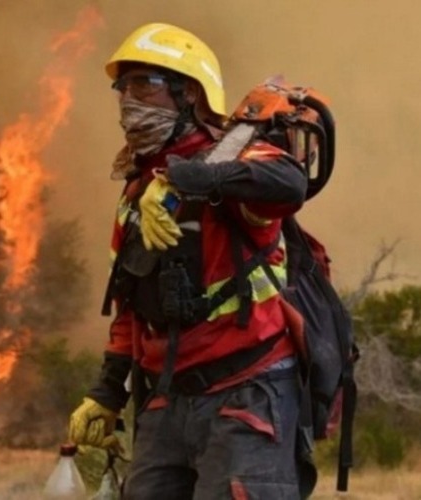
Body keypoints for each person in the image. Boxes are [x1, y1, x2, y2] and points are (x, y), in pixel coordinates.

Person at [68, 23, 311, 499]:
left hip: (246, 395)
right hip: (166, 400)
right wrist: (106, 393)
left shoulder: (235, 164)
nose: (128, 101)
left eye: (147, 85)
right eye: (124, 87)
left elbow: (288, 181)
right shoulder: (137, 194)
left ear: (192, 97)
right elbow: (130, 309)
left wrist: (187, 178)